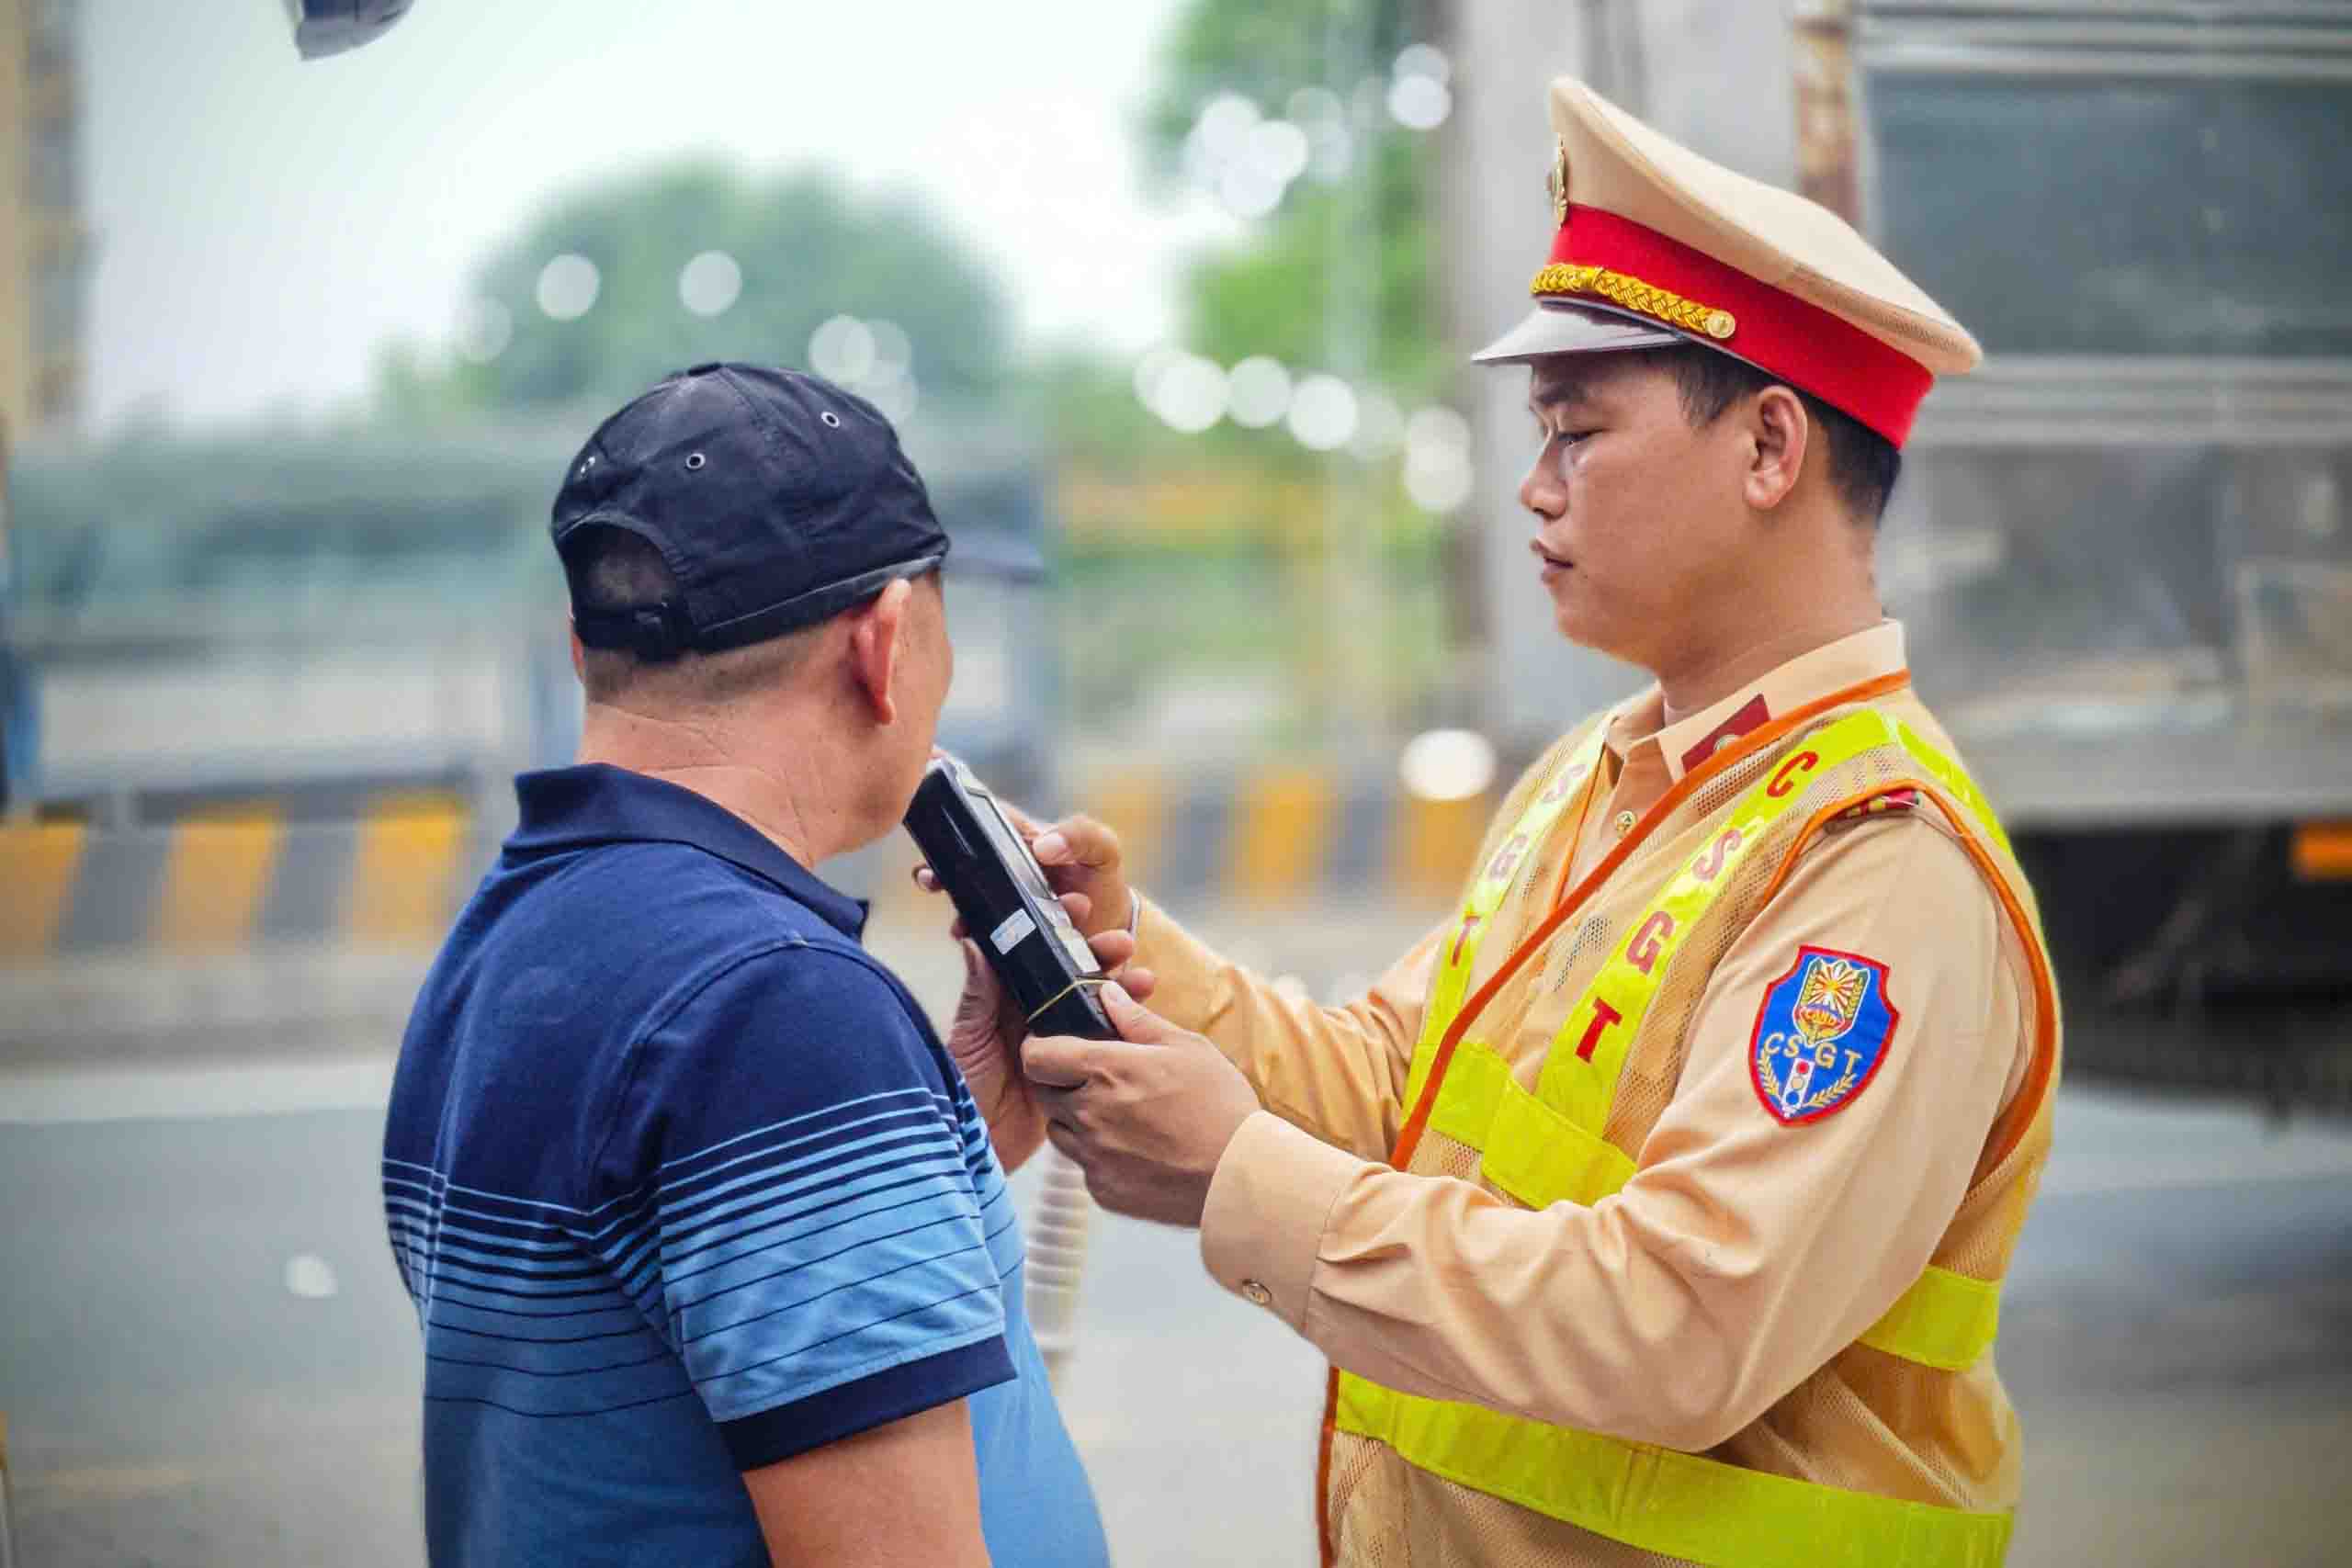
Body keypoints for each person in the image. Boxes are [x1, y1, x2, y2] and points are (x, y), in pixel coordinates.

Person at [953, 77, 2063, 1565]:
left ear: (1769, 448)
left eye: (1578, 431)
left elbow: (1679, 1326)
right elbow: (1394, 1086)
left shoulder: (1876, 862)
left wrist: (1245, 1179)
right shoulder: (1600, 778)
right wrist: (1131, 955)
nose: (1532, 490)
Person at [382, 364, 1116, 1568]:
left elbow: (642, 1371)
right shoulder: (780, 1016)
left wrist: (953, 1145)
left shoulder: (505, 946)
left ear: (583, 650)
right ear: (883, 645)